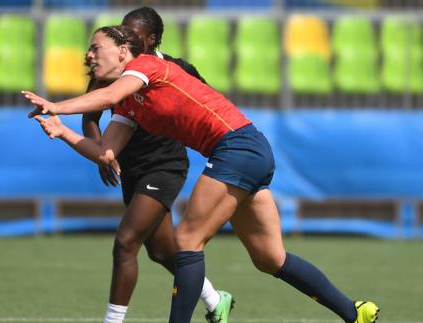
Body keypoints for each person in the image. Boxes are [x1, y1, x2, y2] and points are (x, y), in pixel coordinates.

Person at [23, 25, 379, 323]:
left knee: (188, 240)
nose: (88, 55)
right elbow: (106, 151)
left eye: (95, 47)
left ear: (122, 52)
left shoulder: (146, 66)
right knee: (270, 258)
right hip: (249, 152)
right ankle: (354, 312)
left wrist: (57, 104)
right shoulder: (128, 102)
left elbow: (111, 93)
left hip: (237, 148)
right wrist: (62, 130)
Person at [82, 7, 234, 323]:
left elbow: (208, 105)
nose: (124, 39)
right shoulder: (111, 71)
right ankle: (216, 300)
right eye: (121, 32)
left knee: (125, 243)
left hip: (165, 166)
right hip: (130, 168)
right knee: (162, 251)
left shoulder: (177, 69)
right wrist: (102, 152)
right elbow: (90, 118)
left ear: (151, 39)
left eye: (133, 34)